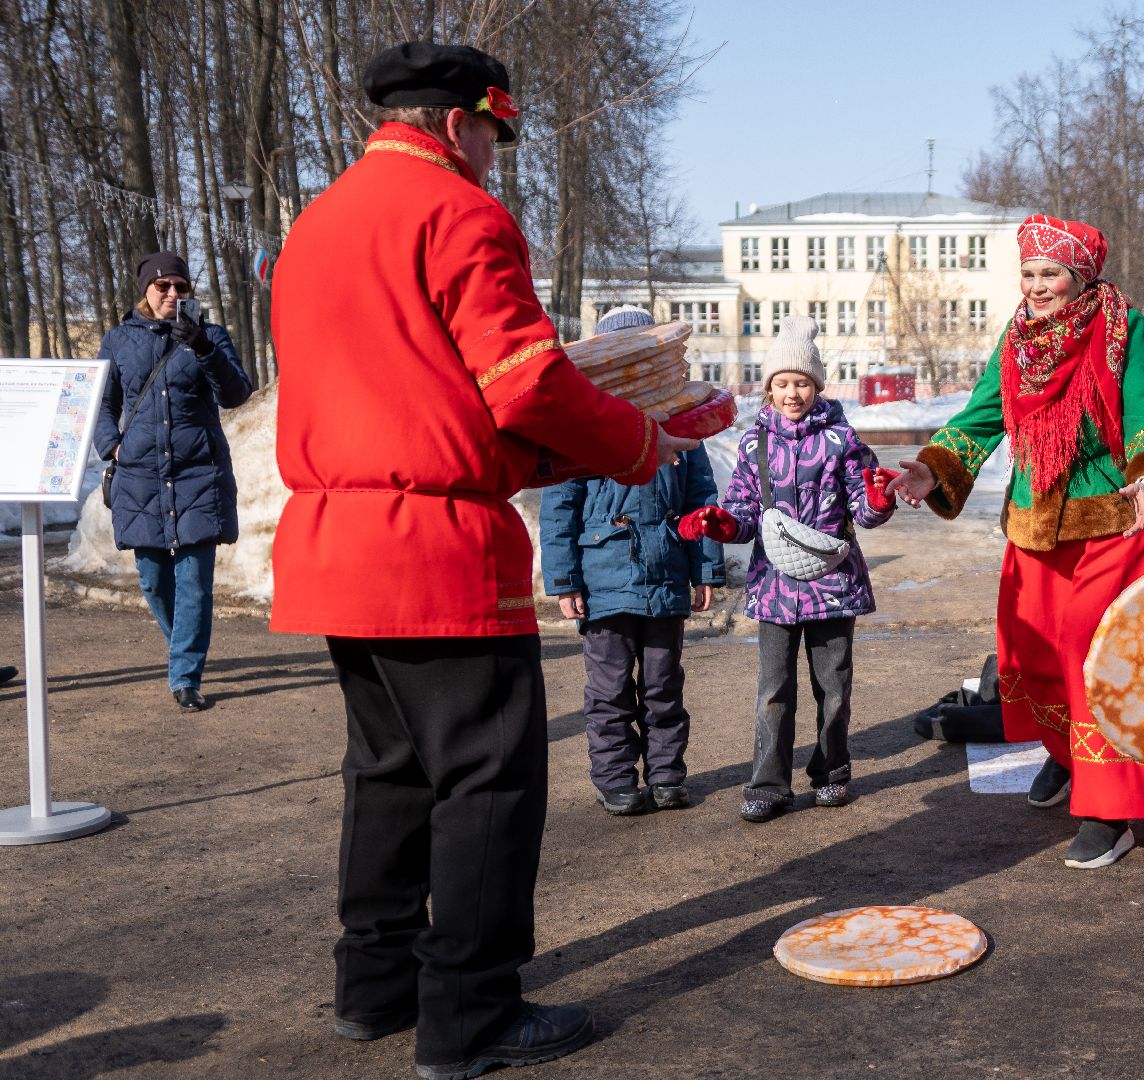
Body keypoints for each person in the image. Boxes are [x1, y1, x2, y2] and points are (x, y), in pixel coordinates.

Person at [269, 42, 694, 1080]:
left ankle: (370, 988)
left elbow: (407, 382)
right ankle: (469, 1013)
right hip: (437, 545)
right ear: (462, 122)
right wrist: (639, 444)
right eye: (496, 137)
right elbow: (525, 383)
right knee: (488, 783)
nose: (498, 159)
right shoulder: (457, 211)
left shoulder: (317, 223)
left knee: (388, 772)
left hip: (335, 539)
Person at [887, 214, 1144, 869]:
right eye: (1027, 274)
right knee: (1033, 662)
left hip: (1106, 529)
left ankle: (1108, 812)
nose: (1036, 286)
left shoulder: (1120, 329)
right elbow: (980, 416)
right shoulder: (1017, 336)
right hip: (1030, 531)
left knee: (1097, 669)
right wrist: (930, 467)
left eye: (1049, 273)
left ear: (1079, 274)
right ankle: (1071, 759)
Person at [684, 316, 895, 822]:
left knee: (834, 684)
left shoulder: (843, 442)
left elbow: (863, 514)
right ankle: (769, 783)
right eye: (782, 383)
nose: (792, 392)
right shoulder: (754, 446)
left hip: (832, 582)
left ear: (817, 386)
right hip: (775, 585)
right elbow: (744, 511)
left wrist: (876, 497)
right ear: (770, 388)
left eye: (801, 382)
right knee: (773, 689)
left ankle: (831, 771)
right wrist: (721, 523)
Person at [540, 307, 725, 817]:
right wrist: (563, 581)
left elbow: (700, 501)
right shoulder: (578, 433)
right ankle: (617, 780)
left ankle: (667, 776)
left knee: (664, 686)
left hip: (665, 577)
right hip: (603, 585)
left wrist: (705, 569)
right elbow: (559, 510)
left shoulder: (680, 430)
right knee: (609, 691)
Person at [91, 251, 254, 712]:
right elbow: (102, 403)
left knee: (195, 583)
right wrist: (112, 447)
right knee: (155, 581)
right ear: (146, 291)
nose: (172, 294)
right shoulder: (119, 340)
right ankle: (182, 643)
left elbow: (237, 393)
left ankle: (185, 675)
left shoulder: (211, 336)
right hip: (141, 477)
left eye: (180, 287)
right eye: (162, 287)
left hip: (198, 474)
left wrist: (202, 345)